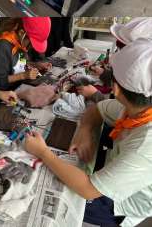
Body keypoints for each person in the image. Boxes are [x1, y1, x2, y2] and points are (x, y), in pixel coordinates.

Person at [24, 39, 152, 227]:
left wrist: (43, 153)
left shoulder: (144, 147)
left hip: (120, 204)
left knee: (48, 191)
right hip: (116, 163)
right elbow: (97, 109)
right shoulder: (137, 109)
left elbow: (88, 190)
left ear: (115, 89)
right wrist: (85, 131)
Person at [0, 17, 52, 90]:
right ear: (21, 33)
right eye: (31, 44)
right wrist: (23, 76)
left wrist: (36, 65)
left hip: (18, 87)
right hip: (4, 93)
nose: (31, 47)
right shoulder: (2, 47)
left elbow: (20, 63)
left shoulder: (20, 43)